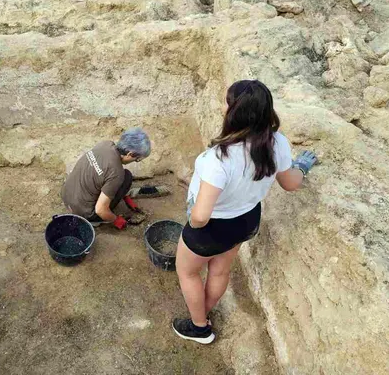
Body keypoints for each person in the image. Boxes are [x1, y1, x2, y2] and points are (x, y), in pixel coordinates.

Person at [172, 80, 318, 344]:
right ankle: (203, 313)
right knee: (218, 271)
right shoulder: (277, 143)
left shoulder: (220, 158)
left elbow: (202, 215)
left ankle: (199, 327)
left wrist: (192, 219)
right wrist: (302, 167)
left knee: (188, 272)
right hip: (245, 221)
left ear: (234, 112)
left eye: (227, 103)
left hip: (210, 228)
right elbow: (291, 183)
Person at [61, 128, 151, 229]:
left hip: (66, 195)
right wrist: (116, 220)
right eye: (137, 159)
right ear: (130, 154)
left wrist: (124, 195)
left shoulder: (105, 144)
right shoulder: (116, 173)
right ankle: (94, 220)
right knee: (127, 177)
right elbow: (100, 210)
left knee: (112, 178)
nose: (136, 161)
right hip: (83, 213)